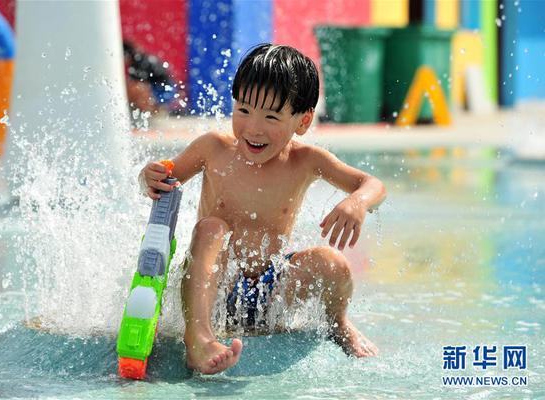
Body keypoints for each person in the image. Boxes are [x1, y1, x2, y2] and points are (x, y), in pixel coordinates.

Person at [139, 44, 387, 375]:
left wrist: (357, 202)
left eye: (271, 116)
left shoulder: (306, 160)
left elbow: (372, 184)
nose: (253, 128)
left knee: (333, 263)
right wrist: (148, 177)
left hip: (272, 287)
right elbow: (164, 180)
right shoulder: (213, 148)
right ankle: (198, 336)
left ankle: (338, 322)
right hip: (214, 287)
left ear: (302, 121)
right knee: (211, 227)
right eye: (243, 110)